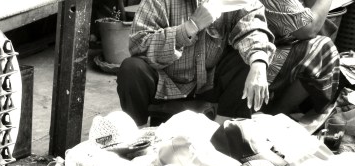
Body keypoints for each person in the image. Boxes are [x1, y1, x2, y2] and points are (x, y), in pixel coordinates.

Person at [118, 0, 276, 125]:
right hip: (166, 84)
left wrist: (258, 64)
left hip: (209, 83)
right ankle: (135, 137)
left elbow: (253, 27)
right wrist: (189, 27)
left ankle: (226, 131)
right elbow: (138, 44)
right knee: (131, 68)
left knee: (250, 59)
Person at [257, 0, 340, 116]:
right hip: (248, 59)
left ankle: (279, 113)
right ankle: (275, 115)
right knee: (323, 49)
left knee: (319, 39)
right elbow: (309, 28)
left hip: (263, 48)